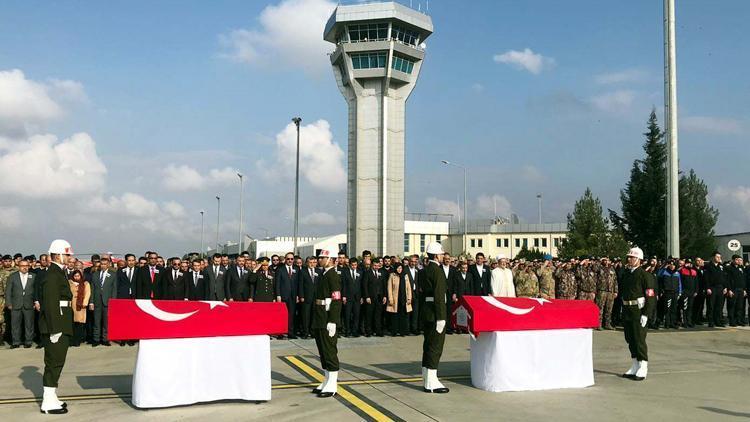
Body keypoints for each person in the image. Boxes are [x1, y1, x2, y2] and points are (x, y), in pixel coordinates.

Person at [39, 239, 75, 414]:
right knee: (54, 362)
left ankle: (52, 396)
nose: (69, 257)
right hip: (56, 325)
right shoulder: (53, 275)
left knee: (58, 361)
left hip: (61, 322)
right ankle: (47, 402)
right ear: (58, 255)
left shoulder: (58, 273)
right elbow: (51, 304)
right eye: (67, 254)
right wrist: (55, 329)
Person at [620, 247, 656, 381]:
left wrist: (646, 314)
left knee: (639, 339)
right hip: (628, 309)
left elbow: (650, 296)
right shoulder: (626, 274)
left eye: (632, 257)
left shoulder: (645, 275)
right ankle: (635, 364)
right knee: (630, 338)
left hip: (638, 310)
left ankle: (643, 365)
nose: (629, 259)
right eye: (628, 257)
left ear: (639, 260)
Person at [310, 249, 342, 398]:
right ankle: (327, 379)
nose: (319, 259)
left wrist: (333, 320)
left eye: (322, 257)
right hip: (320, 316)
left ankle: (333, 384)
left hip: (327, 317)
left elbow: (336, 299)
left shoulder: (333, 275)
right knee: (323, 350)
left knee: (329, 350)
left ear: (329, 259)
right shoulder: (323, 274)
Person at [420, 242, 450, 394]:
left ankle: (426, 377)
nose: (443, 256)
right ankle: (431, 382)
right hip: (436, 313)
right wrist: (441, 317)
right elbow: (439, 296)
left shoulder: (425, 270)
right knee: (435, 346)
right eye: (441, 254)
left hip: (427, 312)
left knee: (428, 345)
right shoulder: (437, 271)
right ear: (437, 255)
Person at [5, 259, 36, 348]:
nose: (25, 268)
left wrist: (35, 302)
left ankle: (28, 341)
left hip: (29, 304)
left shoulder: (33, 276)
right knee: (15, 324)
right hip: (15, 304)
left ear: (29, 266)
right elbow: (8, 291)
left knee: (29, 324)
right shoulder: (12, 276)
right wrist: (8, 303)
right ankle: (16, 342)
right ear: (19, 267)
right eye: (22, 266)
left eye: (26, 266)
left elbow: (36, 291)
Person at [90, 256, 116, 346]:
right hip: (97, 301)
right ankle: (96, 339)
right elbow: (92, 289)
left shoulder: (113, 275)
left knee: (106, 322)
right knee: (96, 321)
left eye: (105, 264)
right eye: (102, 264)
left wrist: (113, 302)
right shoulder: (95, 274)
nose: (103, 266)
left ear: (108, 265)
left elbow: (114, 289)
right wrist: (91, 302)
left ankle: (105, 339)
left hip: (107, 301)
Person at [274, 252, 299, 339]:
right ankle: (280, 333)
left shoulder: (296, 269)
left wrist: (298, 295)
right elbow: (277, 283)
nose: (290, 260)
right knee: (282, 315)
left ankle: (290, 332)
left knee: (291, 315)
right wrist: (278, 295)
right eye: (288, 259)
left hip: (293, 295)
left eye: (292, 259)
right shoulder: (280, 269)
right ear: (285, 259)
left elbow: (298, 283)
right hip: (283, 295)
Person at [386, 264, 412, 337]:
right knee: (395, 316)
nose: (399, 270)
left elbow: (408, 288)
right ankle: (394, 331)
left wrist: (409, 298)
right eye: (398, 268)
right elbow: (389, 288)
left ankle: (402, 332)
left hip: (404, 299)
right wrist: (390, 298)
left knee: (403, 316)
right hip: (395, 299)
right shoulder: (392, 275)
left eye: (400, 268)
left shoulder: (405, 276)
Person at [68, 270, 90, 347]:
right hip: (71, 305)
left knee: (79, 324)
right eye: (75, 276)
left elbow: (87, 293)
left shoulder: (85, 283)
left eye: (78, 276)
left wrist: (85, 303)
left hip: (81, 306)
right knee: (72, 324)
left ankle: (77, 341)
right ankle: (71, 340)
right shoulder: (69, 283)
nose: (77, 277)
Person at [704, 252, 727, 327]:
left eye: (720, 257)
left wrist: (725, 287)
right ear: (713, 257)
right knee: (711, 305)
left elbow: (724, 277)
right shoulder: (708, 266)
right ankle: (711, 321)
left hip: (720, 288)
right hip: (712, 288)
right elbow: (706, 278)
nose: (719, 258)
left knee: (719, 306)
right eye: (717, 257)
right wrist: (707, 288)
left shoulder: (721, 266)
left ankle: (718, 321)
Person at [341, 258, 362, 338]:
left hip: (357, 297)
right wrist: (344, 296)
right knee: (347, 315)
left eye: (355, 265)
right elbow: (344, 285)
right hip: (348, 297)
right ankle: (347, 331)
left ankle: (355, 331)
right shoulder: (345, 272)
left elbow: (361, 285)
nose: (354, 266)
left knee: (356, 315)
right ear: (349, 265)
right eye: (352, 265)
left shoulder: (360, 272)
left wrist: (361, 297)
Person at [596, 258, 618, 330]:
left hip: (610, 291)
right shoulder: (599, 268)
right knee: (600, 308)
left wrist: (615, 291)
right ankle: (598, 324)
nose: (606, 261)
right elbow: (594, 269)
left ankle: (607, 324)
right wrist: (599, 261)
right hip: (602, 290)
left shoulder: (612, 269)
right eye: (604, 260)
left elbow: (615, 281)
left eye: (607, 260)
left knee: (609, 308)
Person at [725, 255, 746, 327]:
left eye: (739, 259)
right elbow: (727, 280)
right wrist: (729, 290)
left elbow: (743, 279)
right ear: (733, 260)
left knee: (739, 306)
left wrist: (744, 289)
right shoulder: (729, 268)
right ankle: (732, 321)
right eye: (736, 259)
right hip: (733, 290)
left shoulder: (741, 268)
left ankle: (738, 320)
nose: (738, 261)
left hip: (741, 289)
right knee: (732, 306)